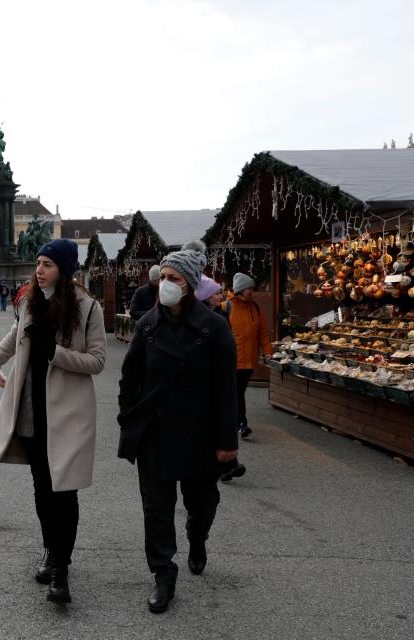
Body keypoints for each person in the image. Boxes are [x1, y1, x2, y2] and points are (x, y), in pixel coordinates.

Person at [0, 239, 107, 605]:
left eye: (48, 264)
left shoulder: (87, 307)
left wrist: (55, 352)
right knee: (41, 489)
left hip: (67, 414)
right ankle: (51, 551)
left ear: (64, 270)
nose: (40, 269)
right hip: (32, 409)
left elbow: (98, 361)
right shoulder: (28, 300)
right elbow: (14, 335)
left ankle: (62, 570)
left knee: (63, 492)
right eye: (38, 262)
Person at [117, 240, 238, 614]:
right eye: (162, 277)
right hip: (156, 433)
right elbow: (129, 380)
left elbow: (226, 389)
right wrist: (129, 421)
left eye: (172, 278)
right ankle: (163, 575)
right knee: (156, 510)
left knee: (202, 504)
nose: (164, 284)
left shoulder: (215, 327)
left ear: (188, 283)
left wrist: (226, 442)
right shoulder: (148, 325)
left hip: (200, 434)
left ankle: (197, 537)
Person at [196, 276, 247, 482]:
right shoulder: (200, 318)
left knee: (221, 420)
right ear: (206, 296)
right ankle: (224, 465)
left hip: (220, 374)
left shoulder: (221, 315)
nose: (221, 296)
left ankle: (227, 464)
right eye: (216, 293)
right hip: (205, 379)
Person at [225, 273, 273, 439]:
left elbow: (262, 332)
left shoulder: (255, 308)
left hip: (249, 360)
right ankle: (241, 423)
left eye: (252, 288)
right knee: (237, 392)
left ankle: (232, 421)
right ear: (240, 290)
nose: (252, 291)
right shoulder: (227, 307)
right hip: (232, 360)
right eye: (249, 288)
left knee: (238, 391)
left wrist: (267, 351)